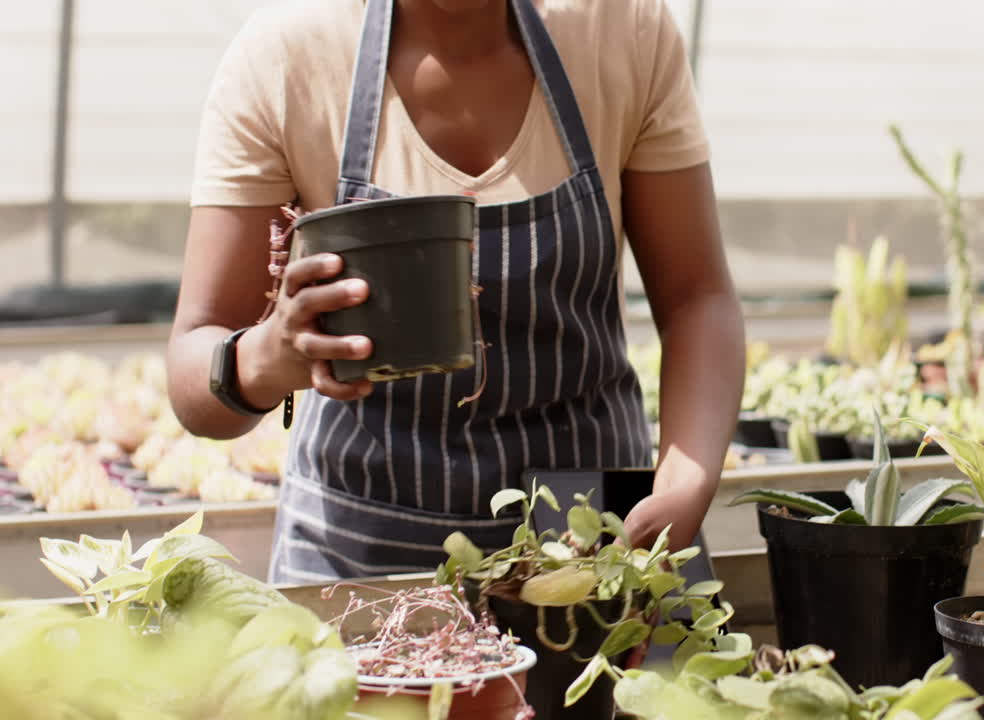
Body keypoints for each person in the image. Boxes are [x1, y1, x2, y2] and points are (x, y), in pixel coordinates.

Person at [167, 0, 745, 583]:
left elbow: (697, 298)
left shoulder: (622, 28)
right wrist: (269, 356)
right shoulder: (288, 54)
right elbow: (194, 370)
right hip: (359, 551)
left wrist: (682, 484)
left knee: (633, 678)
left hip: (599, 537)